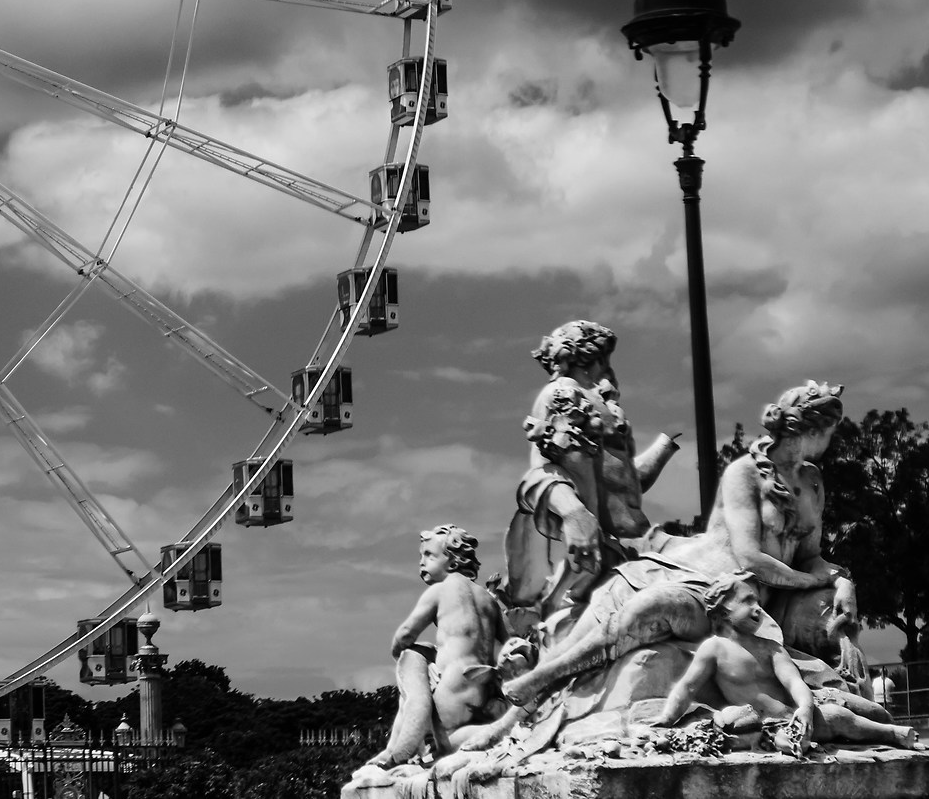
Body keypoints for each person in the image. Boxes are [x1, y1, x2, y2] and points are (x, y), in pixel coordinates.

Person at [659, 382, 861, 670]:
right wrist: (812, 581)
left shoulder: (812, 479)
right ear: (815, 432)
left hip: (772, 597)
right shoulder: (743, 473)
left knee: (832, 616)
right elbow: (750, 558)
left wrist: (842, 582)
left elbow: (809, 558)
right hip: (719, 592)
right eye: (831, 433)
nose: (831, 441)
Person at [501, 321, 682, 635]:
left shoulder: (603, 403)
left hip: (638, 545)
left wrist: (665, 447)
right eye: (605, 358)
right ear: (590, 356)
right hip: (601, 553)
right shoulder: (560, 394)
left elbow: (623, 483)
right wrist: (574, 513)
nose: (609, 367)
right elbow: (539, 475)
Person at [652, 575, 911, 749]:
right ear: (722, 609)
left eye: (758, 602)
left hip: (809, 702)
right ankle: (893, 735)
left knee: (872, 709)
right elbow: (687, 687)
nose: (757, 609)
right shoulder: (714, 649)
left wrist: (806, 706)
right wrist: (666, 718)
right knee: (838, 717)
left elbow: (794, 682)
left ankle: (890, 725)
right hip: (779, 721)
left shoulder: (770, 648)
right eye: (747, 601)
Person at [360, 526, 530, 772]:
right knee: (472, 732)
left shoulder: (440, 590)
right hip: (486, 692)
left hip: (452, 690)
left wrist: (408, 659)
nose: (421, 563)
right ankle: (505, 730)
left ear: (452, 563)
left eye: (429, 555)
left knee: (415, 657)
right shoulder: (488, 599)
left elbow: (405, 635)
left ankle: (397, 751)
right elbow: (509, 642)